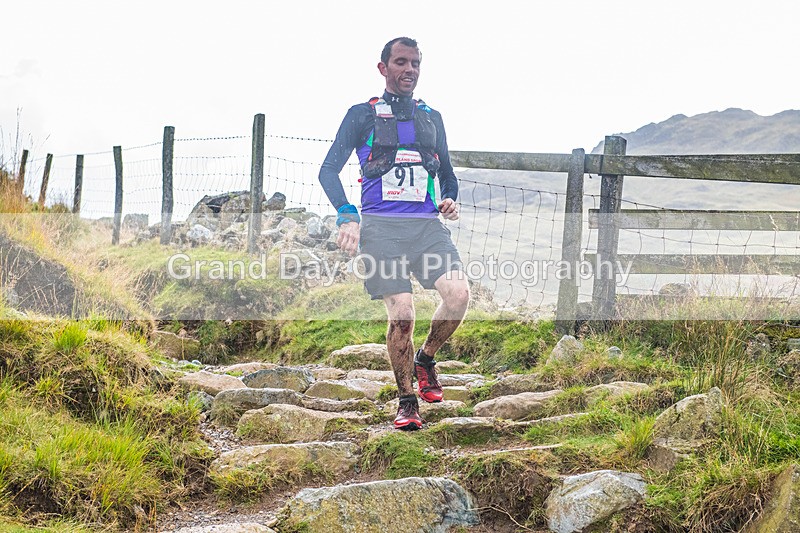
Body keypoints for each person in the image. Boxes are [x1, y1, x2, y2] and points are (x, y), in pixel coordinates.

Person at [319, 36, 470, 430]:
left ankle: (426, 359)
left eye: (415, 63)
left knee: (458, 296)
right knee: (402, 315)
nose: (409, 70)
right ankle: (406, 401)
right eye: (401, 62)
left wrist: (450, 199)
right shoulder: (361, 115)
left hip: (426, 228)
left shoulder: (431, 117)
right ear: (383, 68)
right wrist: (347, 214)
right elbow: (328, 170)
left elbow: (448, 173)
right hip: (381, 230)